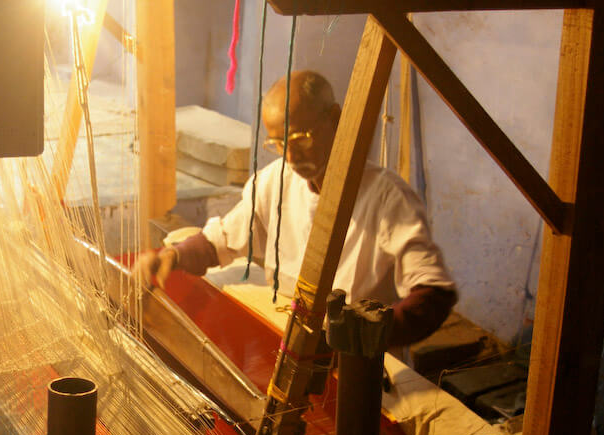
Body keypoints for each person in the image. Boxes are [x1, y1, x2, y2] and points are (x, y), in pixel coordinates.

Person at [135, 70, 456, 347]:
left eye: (299, 138)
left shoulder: (388, 198)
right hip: (291, 341)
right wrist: (171, 256)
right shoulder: (275, 181)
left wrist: (363, 339)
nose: (289, 156)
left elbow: (434, 294)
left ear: (334, 119)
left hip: (357, 363)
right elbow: (221, 240)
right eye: (277, 143)